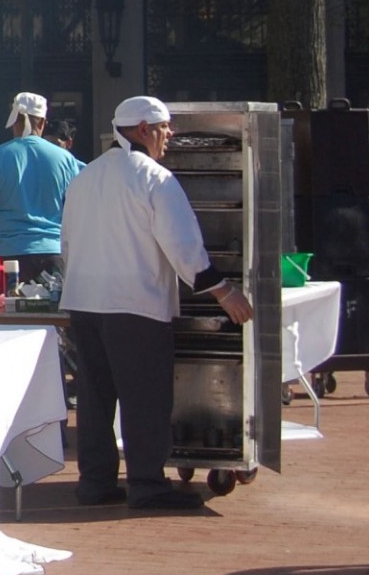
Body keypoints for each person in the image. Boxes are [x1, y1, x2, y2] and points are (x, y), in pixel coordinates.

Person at [60, 96, 254, 510]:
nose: (171, 135)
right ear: (144, 129)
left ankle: (94, 483)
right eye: (166, 127)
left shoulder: (85, 176)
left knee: (95, 397)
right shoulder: (154, 178)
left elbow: (67, 243)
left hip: (84, 301)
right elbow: (184, 247)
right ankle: (148, 485)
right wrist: (224, 291)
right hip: (135, 304)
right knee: (143, 397)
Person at [0, 92, 81, 282]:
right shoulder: (66, 159)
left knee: (9, 310)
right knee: (52, 311)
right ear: (43, 123)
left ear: (13, 121)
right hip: (54, 253)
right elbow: (76, 211)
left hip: (8, 258)